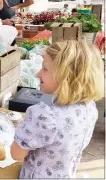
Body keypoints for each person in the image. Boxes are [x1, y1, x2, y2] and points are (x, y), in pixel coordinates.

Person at [11, 41, 104, 178]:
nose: (38, 73)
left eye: (45, 69)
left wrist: (23, 129)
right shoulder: (89, 108)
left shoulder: (44, 115)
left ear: (65, 76)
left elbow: (16, 154)